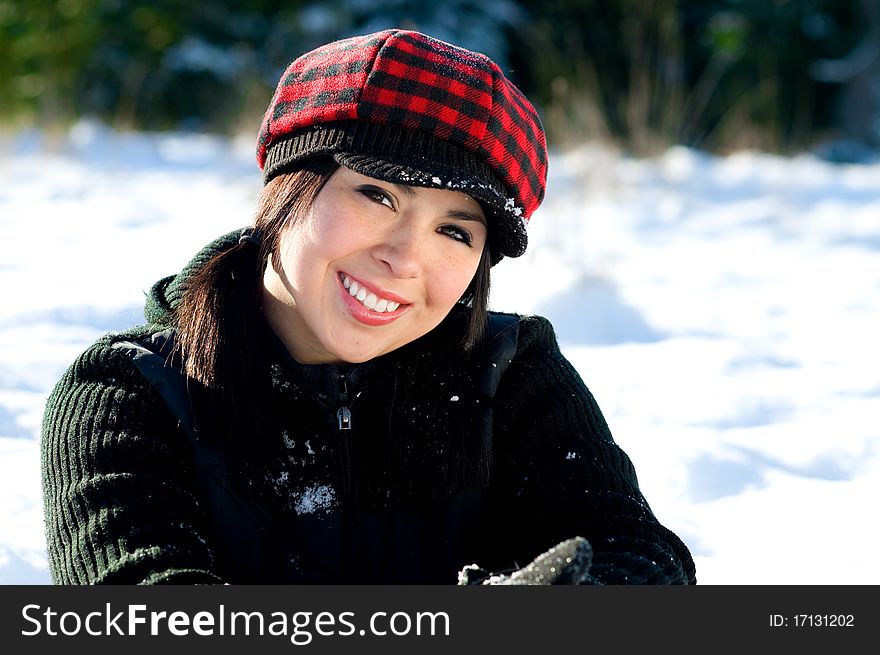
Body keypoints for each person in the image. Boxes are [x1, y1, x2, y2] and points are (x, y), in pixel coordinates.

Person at [40, 29, 696, 585]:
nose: (405, 257)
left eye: (455, 231)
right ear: (287, 190)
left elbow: (639, 555)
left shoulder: (512, 375)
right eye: (377, 195)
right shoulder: (131, 393)